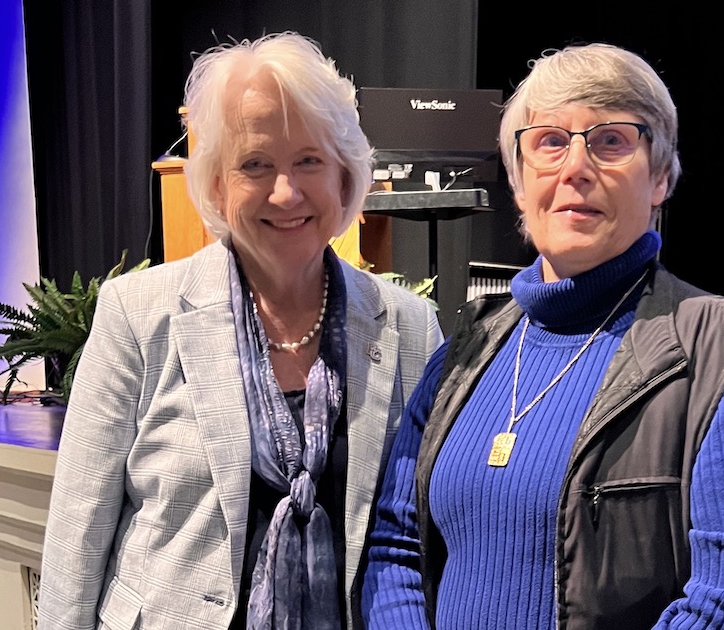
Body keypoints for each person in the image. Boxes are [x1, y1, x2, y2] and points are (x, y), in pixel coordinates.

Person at [361, 42, 724, 629]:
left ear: (661, 178)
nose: (575, 167)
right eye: (549, 141)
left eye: (611, 141)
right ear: (520, 184)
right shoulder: (463, 353)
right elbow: (396, 546)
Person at [37, 32, 443, 630]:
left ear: (345, 177)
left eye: (309, 160)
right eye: (255, 164)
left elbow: (424, 534)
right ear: (219, 186)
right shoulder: (137, 313)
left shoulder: (409, 327)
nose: (286, 192)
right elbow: (79, 525)